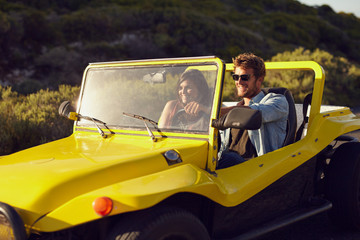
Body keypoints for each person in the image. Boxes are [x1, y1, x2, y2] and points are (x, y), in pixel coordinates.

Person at [217, 53, 289, 169]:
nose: (239, 82)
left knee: (227, 159)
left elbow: (255, 113)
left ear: (259, 80)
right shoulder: (234, 108)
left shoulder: (277, 101)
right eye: (236, 77)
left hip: (259, 169)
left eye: (244, 77)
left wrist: (216, 112)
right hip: (230, 170)